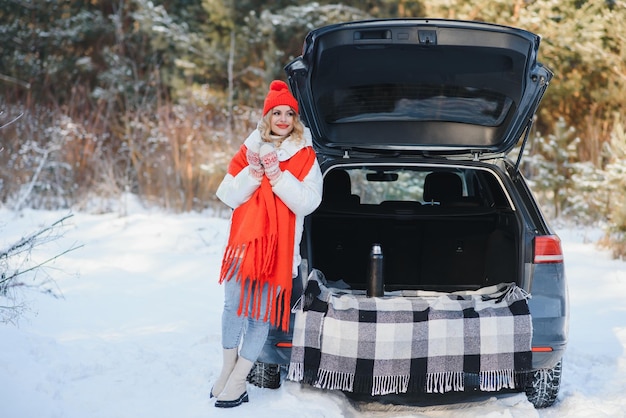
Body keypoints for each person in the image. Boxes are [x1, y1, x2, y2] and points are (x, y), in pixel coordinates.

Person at [211, 80, 323, 408]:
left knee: (260, 317)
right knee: (232, 307)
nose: (284, 118)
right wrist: (254, 173)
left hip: (278, 251)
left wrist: (278, 176)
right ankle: (226, 370)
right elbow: (228, 196)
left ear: (296, 119)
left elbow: (308, 203)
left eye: (290, 113)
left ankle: (238, 380)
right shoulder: (247, 151)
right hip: (244, 247)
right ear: (267, 116)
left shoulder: (306, 157)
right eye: (277, 112)